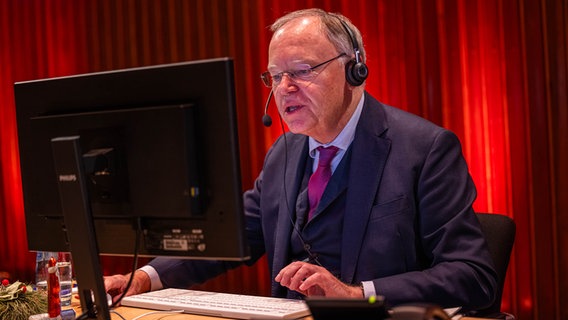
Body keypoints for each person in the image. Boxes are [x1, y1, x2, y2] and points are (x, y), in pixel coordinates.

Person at [105, 8, 497, 312]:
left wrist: (357, 295)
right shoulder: (285, 152)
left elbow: (473, 276)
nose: (284, 88)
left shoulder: (425, 148)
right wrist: (144, 277)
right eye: (275, 76)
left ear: (353, 69)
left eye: (302, 71)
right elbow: (233, 235)